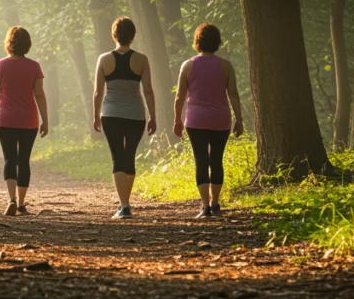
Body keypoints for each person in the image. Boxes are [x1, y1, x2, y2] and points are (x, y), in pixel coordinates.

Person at [174, 23, 244, 218]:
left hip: (195, 120)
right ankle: (215, 203)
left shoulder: (188, 65)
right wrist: (239, 119)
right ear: (217, 42)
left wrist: (177, 120)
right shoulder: (225, 66)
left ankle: (204, 207)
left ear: (197, 41)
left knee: (201, 161)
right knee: (216, 160)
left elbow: (180, 97)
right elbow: (234, 95)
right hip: (220, 120)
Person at [93, 17, 158, 219]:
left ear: (114, 34)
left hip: (110, 114)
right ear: (132, 35)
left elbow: (98, 92)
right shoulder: (142, 59)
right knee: (129, 156)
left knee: (117, 157)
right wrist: (153, 116)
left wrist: (96, 116)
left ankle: (123, 205)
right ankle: (126, 203)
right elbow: (148, 90)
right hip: (135, 114)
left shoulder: (104, 59)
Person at [0, 26, 48, 216]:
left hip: (4, 118)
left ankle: (11, 199)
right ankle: (22, 204)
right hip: (28, 118)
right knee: (24, 160)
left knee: (9, 158)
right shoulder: (34, 66)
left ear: (9, 43)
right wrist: (45, 119)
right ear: (27, 44)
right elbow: (39, 94)